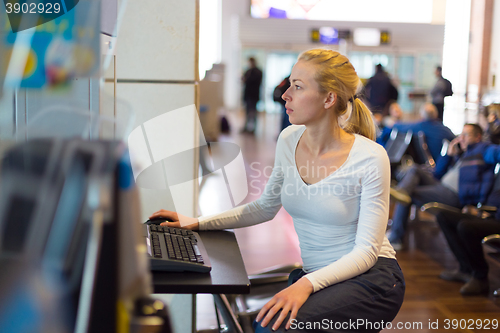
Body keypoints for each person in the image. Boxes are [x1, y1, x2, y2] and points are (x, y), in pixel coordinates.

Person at [150, 49, 405, 332]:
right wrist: (196, 222)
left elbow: (367, 252)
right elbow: (265, 207)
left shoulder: (370, 157)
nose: (285, 94)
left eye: (297, 86)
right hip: (318, 276)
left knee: (272, 327)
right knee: (269, 324)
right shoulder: (289, 138)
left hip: (371, 279)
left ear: (329, 98)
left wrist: (306, 285)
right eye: (289, 84)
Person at [388, 124, 500, 249]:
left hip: (454, 195)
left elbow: (497, 152)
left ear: (478, 137)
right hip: (440, 186)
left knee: (410, 193)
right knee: (414, 169)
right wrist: (448, 155)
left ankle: (396, 238)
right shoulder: (463, 154)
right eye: (461, 135)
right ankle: (402, 191)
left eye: (466, 135)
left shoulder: (483, 149)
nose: (461, 138)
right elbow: (438, 174)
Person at [435, 190, 500, 295]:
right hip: (494, 218)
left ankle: (480, 277)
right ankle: (466, 269)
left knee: (466, 227)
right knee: (444, 217)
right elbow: (493, 197)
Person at [387, 103, 455, 163]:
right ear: (436, 115)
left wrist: (393, 123)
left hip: (427, 165)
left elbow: (402, 127)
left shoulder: (419, 127)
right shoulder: (445, 130)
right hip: (445, 165)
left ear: (421, 116)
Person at [242, 57, 263, 134]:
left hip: (253, 95)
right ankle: (246, 126)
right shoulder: (248, 71)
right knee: (247, 112)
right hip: (247, 95)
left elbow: (253, 81)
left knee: (253, 112)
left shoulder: (258, 72)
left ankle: (253, 128)